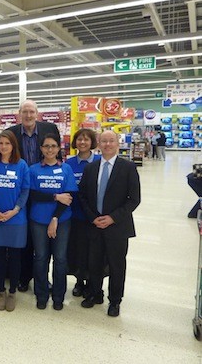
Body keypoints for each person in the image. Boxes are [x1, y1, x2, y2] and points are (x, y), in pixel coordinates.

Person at [79, 130, 141, 317]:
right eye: (103, 141)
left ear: (117, 143)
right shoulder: (91, 168)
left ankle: (115, 301)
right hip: (95, 224)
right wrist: (92, 217)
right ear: (98, 143)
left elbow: (134, 199)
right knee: (94, 263)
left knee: (116, 265)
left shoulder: (128, 167)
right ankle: (95, 293)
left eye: (111, 141)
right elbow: (82, 196)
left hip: (118, 226)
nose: (107, 144)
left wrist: (113, 217)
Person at [7, 99, 61, 292]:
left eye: (31, 112)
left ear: (37, 114)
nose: (28, 115)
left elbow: (57, 156)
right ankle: (24, 276)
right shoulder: (11, 133)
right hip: (19, 192)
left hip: (43, 191)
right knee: (25, 237)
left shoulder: (50, 128)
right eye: (25, 112)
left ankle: (42, 279)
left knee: (42, 240)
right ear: (19, 114)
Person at [0, 131, 30, 312]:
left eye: (7, 143)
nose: (3, 146)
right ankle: (0, 290)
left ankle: (12, 292)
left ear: (13, 146)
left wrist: (14, 211)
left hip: (16, 219)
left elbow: (25, 191)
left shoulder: (22, 165)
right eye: (1, 143)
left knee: (16, 258)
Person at [29, 133, 78, 311]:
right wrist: (56, 196)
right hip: (38, 221)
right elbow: (33, 194)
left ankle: (58, 297)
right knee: (41, 258)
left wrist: (55, 218)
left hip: (62, 220)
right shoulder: (33, 170)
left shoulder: (66, 170)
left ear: (58, 149)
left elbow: (69, 197)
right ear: (41, 149)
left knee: (60, 259)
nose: (50, 149)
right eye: (46, 146)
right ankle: (41, 295)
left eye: (53, 146)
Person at [65, 129, 101, 297]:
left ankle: (93, 283)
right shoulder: (69, 163)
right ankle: (79, 281)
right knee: (78, 250)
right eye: (79, 139)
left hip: (95, 216)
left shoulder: (100, 161)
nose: (83, 142)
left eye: (86, 139)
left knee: (95, 252)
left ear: (92, 142)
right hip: (75, 215)